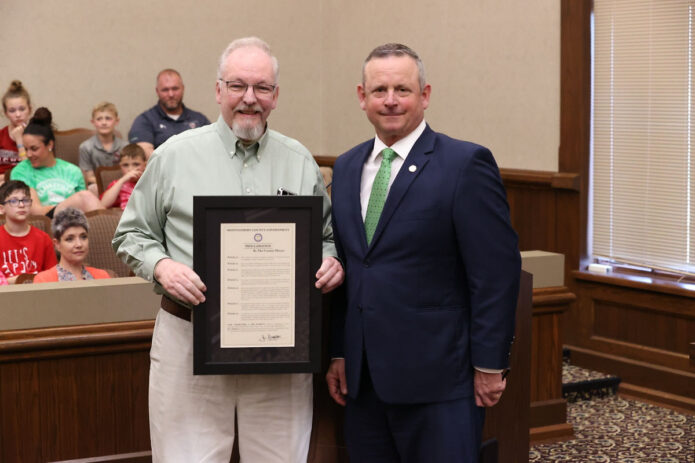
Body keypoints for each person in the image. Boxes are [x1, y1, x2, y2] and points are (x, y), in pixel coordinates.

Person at [113, 37, 344, 463]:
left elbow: (326, 236)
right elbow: (130, 235)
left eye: (262, 88)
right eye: (237, 86)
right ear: (218, 91)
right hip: (189, 338)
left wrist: (330, 260)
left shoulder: (300, 161)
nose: (249, 99)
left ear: (276, 96)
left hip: (281, 346)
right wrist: (162, 267)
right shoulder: (173, 156)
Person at [325, 43, 521, 463]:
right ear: (362, 97)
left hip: (441, 384)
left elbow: (495, 273)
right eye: (379, 90)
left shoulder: (465, 164)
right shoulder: (345, 168)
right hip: (364, 383)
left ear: (425, 95)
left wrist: (490, 364)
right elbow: (350, 270)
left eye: (403, 89)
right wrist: (340, 351)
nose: (390, 100)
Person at [10, 108, 104, 218]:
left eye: (34, 149)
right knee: (85, 197)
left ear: (50, 145)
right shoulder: (21, 171)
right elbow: (35, 211)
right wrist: (73, 205)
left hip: (76, 226)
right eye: (26, 149)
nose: (29, 154)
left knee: (87, 198)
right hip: (44, 222)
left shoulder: (72, 171)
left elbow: (89, 215)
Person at [128, 69, 210, 158]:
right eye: (165, 90)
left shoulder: (200, 119)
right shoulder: (144, 120)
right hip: (163, 171)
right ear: (157, 91)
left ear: (183, 88)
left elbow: (212, 148)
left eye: (175, 89)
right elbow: (147, 157)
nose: (171, 94)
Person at [0, 180, 57, 283]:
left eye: (25, 200)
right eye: (14, 201)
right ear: (1, 208)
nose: (21, 205)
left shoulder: (43, 238)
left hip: (37, 294)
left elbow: (52, 277)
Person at [35, 207, 110, 282]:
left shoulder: (102, 276)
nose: (79, 244)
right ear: (57, 244)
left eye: (83, 237)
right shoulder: (44, 280)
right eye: (70, 239)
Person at [78, 101, 127, 195]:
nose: (104, 123)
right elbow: (88, 177)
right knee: (93, 188)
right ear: (93, 122)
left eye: (108, 118)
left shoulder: (125, 146)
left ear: (116, 121)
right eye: (99, 119)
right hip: (98, 186)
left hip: (122, 185)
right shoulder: (85, 147)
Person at [0, 80, 33, 177]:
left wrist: (19, 141)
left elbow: (30, 172)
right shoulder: (1, 135)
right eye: (12, 111)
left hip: (24, 182)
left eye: (22, 109)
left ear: (30, 109)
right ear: (6, 113)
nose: (18, 115)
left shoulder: (36, 136)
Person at [100, 143, 146, 209]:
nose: (130, 169)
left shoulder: (150, 183)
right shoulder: (117, 184)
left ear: (145, 165)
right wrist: (122, 180)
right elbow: (103, 204)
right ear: (120, 166)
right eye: (125, 165)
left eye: (136, 164)